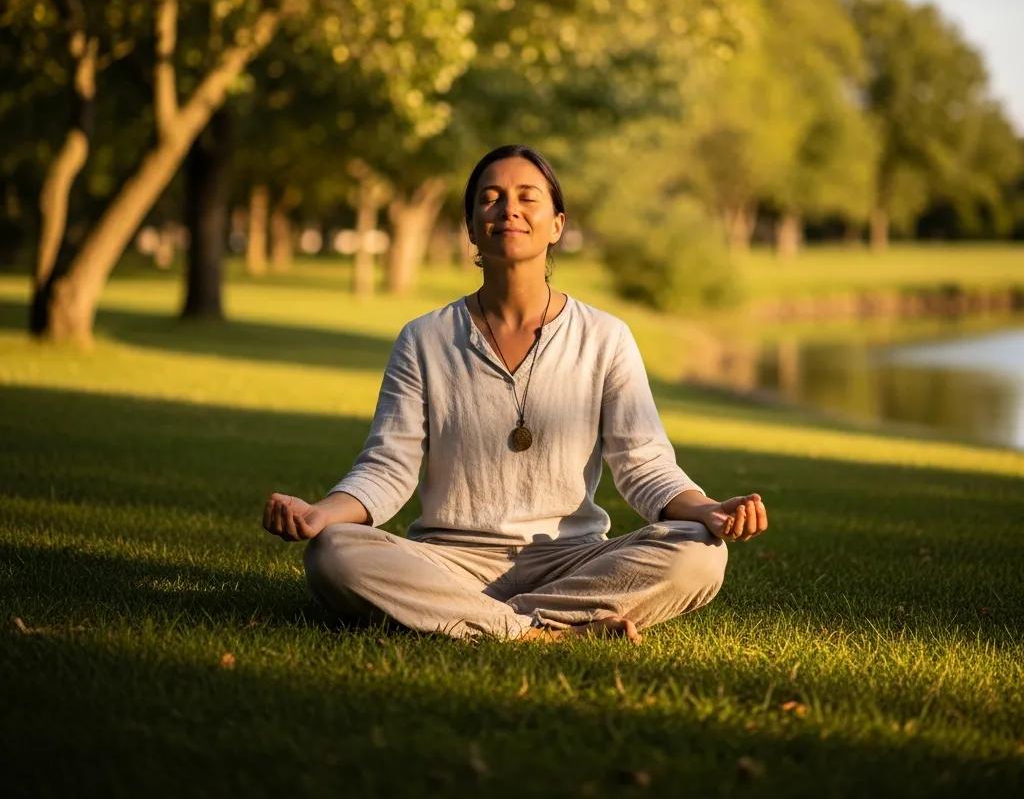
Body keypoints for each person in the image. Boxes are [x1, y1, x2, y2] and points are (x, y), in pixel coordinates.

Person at [263, 144, 768, 642]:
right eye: (491, 197)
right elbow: (387, 467)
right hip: (447, 559)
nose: (509, 209)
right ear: (471, 226)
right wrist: (322, 513)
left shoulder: (604, 337)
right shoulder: (425, 339)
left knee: (700, 552)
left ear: (557, 225)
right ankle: (542, 629)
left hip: (572, 559)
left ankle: (479, 620)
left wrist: (707, 511)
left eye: (528, 197)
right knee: (334, 552)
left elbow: (644, 465)